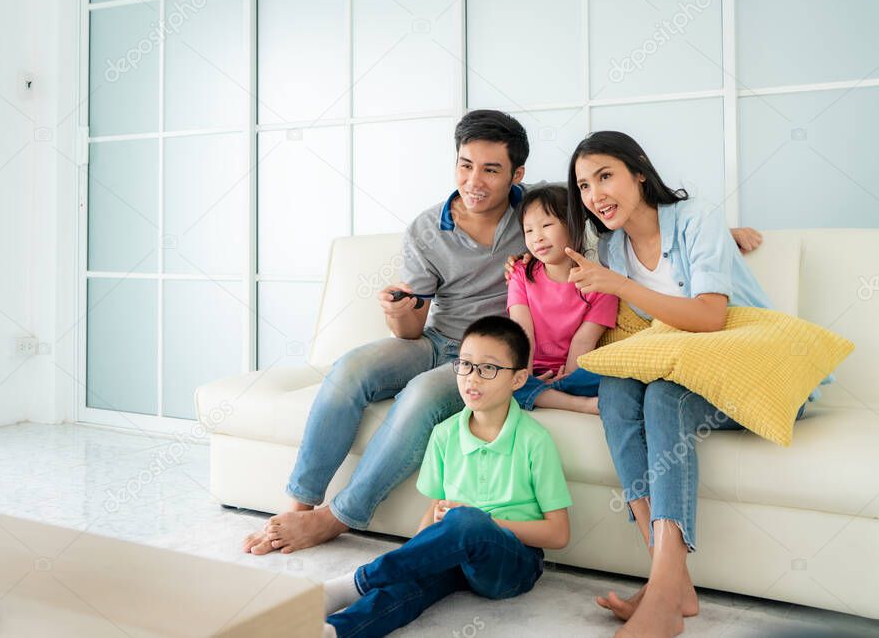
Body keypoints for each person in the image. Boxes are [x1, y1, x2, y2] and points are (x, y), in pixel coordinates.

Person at [241, 110, 764, 556]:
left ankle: (339, 517)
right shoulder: (427, 228)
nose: (475, 181)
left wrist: (722, 232)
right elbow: (410, 329)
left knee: (424, 393)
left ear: (517, 173)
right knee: (350, 367)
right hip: (434, 338)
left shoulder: (539, 210)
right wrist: (398, 310)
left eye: (492, 170)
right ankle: (298, 504)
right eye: (466, 166)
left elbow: (623, 217)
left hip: (487, 355)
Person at [561, 131, 807, 638]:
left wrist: (625, 284)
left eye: (605, 176)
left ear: (640, 173)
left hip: (761, 373)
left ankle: (666, 594)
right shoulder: (611, 246)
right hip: (694, 371)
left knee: (664, 395)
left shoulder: (696, 220)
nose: (595, 194)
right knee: (615, 388)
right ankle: (671, 582)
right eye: (584, 185)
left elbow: (711, 317)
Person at [320, 316, 570, 638]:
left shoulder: (535, 440)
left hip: (512, 562)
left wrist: (484, 522)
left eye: (488, 368)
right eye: (464, 364)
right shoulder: (444, 433)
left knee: (468, 521)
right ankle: (336, 631)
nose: (472, 379)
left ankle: (357, 581)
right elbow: (435, 509)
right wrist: (421, 553)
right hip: (457, 554)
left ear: (519, 379)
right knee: (404, 589)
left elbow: (559, 534)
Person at [507, 184, 618, 415]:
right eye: (528, 231)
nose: (537, 237)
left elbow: (583, 342)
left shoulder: (601, 285)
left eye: (547, 225)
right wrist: (525, 377)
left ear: (573, 224)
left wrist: (564, 379)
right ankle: (579, 404)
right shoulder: (520, 273)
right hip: (527, 365)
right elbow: (522, 331)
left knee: (612, 379)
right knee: (504, 380)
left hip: (574, 372)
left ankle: (546, 393)